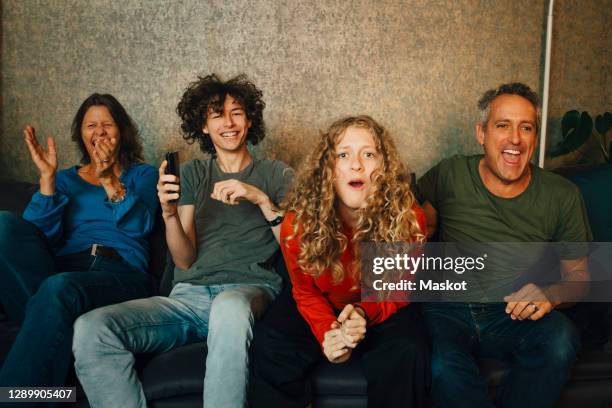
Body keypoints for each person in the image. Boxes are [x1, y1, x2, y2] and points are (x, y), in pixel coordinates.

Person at [73, 74, 293, 408]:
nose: (228, 122)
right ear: (204, 126)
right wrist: (169, 213)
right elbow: (184, 260)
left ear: (249, 120)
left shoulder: (276, 174)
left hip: (246, 292)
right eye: (217, 114)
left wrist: (261, 200)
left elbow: (298, 251)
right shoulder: (193, 175)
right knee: (91, 328)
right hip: (188, 298)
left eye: (237, 112)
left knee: (229, 307)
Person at [417, 83, 591, 407]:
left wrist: (551, 295)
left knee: (561, 339)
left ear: (535, 139)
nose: (515, 138)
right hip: (446, 309)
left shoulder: (562, 195)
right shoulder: (450, 173)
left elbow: (580, 277)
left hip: (510, 309)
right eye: (503, 125)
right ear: (481, 133)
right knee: (443, 366)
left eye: (526, 128)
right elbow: (414, 228)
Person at [250, 115, 430, 408]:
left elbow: (400, 289)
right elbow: (304, 291)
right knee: (270, 345)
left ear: (383, 167)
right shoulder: (297, 224)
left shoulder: (409, 219)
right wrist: (329, 334)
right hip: (322, 302)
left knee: (408, 352)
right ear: (329, 171)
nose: (357, 164)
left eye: (369, 154)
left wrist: (362, 313)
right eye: (343, 155)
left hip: (379, 303)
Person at [0, 93, 158, 387]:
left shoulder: (143, 175)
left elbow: (141, 226)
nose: (99, 132)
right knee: (3, 226)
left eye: (107, 125)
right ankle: (56, 349)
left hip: (119, 273)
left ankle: (12, 398)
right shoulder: (64, 180)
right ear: (80, 135)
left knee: (58, 288)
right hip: (62, 273)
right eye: (90, 126)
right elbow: (30, 240)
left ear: (122, 132)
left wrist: (110, 178)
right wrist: (47, 179)